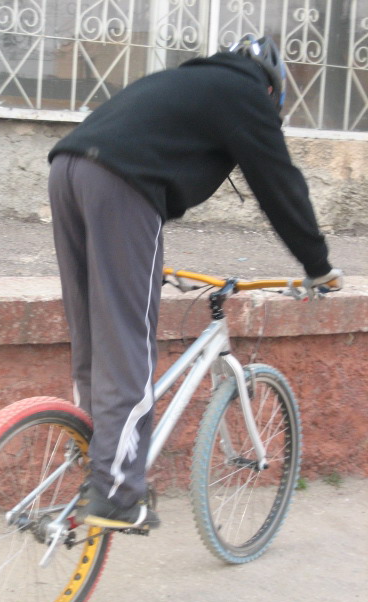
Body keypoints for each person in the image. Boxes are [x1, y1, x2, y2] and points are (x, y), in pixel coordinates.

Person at [47, 35, 342, 530]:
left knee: (93, 339)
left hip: (66, 171)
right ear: (273, 90)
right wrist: (318, 265)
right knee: (127, 344)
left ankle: (94, 460)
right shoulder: (247, 94)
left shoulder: (189, 81)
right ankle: (116, 493)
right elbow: (280, 185)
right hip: (121, 184)